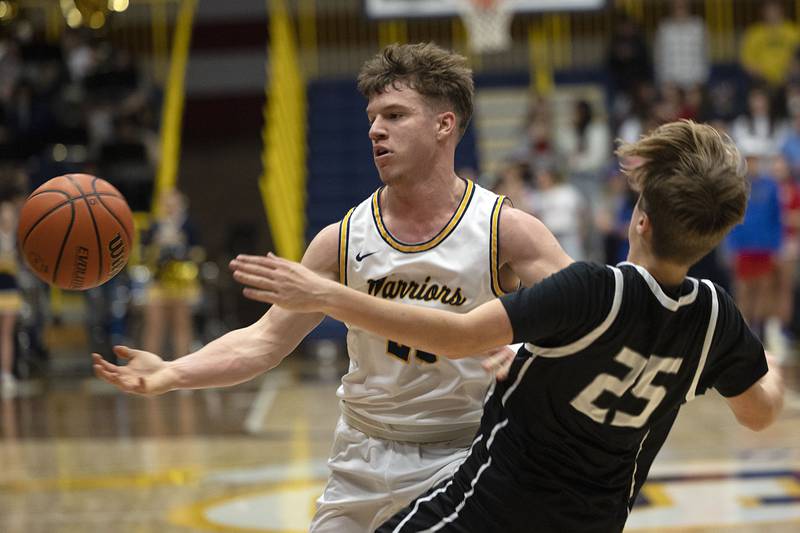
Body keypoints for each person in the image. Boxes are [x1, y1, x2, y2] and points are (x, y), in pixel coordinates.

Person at [92, 42, 572, 532]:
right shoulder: (342, 240)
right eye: (372, 117)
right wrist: (173, 372)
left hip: (465, 453)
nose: (375, 129)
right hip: (361, 454)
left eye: (395, 114)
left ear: (443, 125)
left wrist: (530, 354)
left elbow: (593, 318)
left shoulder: (503, 229)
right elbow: (264, 341)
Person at [230, 120, 784, 533]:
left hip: (491, 510)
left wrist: (329, 294)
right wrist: (770, 368)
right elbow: (759, 411)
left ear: (639, 219)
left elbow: (455, 335)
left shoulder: (592, 289)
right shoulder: (714, 316)